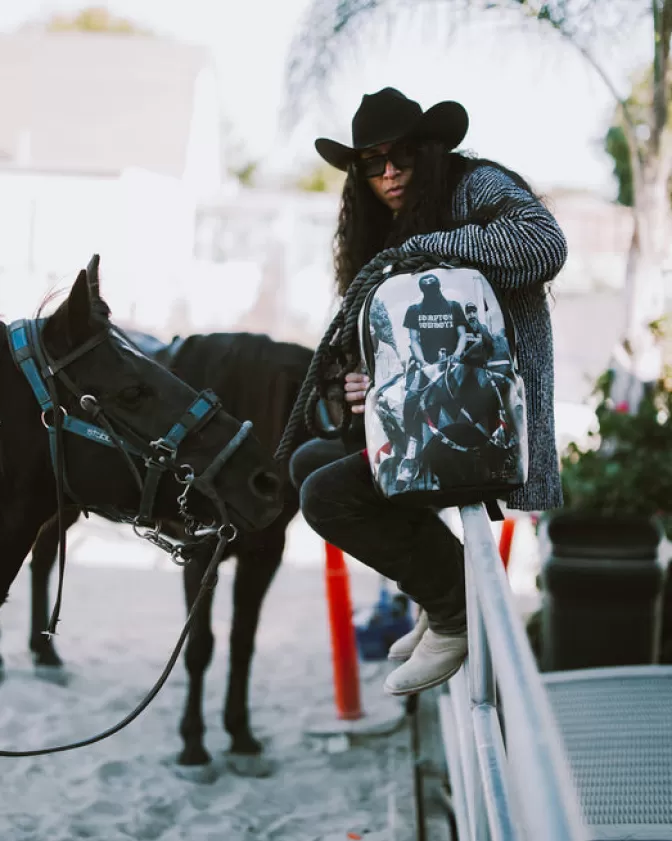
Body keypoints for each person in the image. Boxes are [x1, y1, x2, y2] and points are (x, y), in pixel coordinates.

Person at [289, 87, 567, 696]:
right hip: (432, 424)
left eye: (403, 156)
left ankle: (453, 611)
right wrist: (362, 382)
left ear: (431, 152)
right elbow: (386, 349)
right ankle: (445, 590)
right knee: (309, 459)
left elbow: (544, 242)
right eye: (372, 163)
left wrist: (426, 249)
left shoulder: (475, 186)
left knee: (326, 497)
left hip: (488, 425)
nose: (389, 173)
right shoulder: (386, 227)